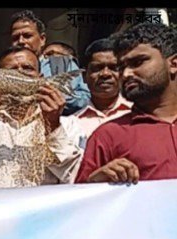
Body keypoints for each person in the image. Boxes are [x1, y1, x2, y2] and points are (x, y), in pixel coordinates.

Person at [0, 46, 81, 189]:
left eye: (28, 68)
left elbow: (75, 178)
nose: (20, 73)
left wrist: (53, 127)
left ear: (40, 77)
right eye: (11, 71)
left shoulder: (69, 125)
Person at [75, 23, 177, 184]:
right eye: (121, 67)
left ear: (174, 64)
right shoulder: (108, 135)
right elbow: (80, 197)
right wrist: (96, 182)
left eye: (138, 62)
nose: (126, 74)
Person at [10, 10, 90, 115]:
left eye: (27, 36)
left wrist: (56, 97)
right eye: (15, 38)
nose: (21, 41)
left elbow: (85, 99)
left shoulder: (63, 65)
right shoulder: (6, 69)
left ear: (42, 39)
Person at [62, 38, 132, 153]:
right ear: (84, 76)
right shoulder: (71, 124)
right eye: (97, 68)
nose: (105, 74)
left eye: (113, 68)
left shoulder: (139, 116)